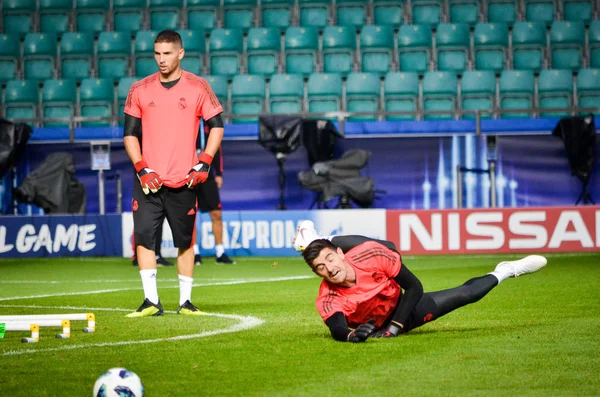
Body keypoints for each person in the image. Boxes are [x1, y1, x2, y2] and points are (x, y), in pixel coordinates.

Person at [293, 221, 547, 342]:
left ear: (341, 253)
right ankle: (321, 239)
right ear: (317, 274)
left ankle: (506, 270)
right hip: (381, 321)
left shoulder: (369, 255)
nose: (329, 269)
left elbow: (414, 286)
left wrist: (394, 327)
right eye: (320, 267)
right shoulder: (328, 296)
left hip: (404, 308)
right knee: (388, 247)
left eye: (330, 259)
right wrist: (352, 336)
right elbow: (336, 327)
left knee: (465, 294)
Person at [123, 30, 224, 317]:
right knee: (144, 238)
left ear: (180, 53)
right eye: (157, 53)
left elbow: (216, 125)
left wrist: (204, 161)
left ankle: (186, 303)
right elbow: (129, 135)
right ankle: (151, 301)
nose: (161, 60)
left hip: (184, 180)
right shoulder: (140, 89)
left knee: (185, 241)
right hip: (148, 182)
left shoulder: (198, 86)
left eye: (167, 53)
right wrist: (142, 167)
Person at [192, 121, 235, 266]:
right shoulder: (185, 120)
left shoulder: (209, 123)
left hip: (208, 174)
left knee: (216, 213)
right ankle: (194, 253)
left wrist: (219, 173)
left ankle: (220, 252)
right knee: (190, 215)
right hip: (189, 173)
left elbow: (217, 148)